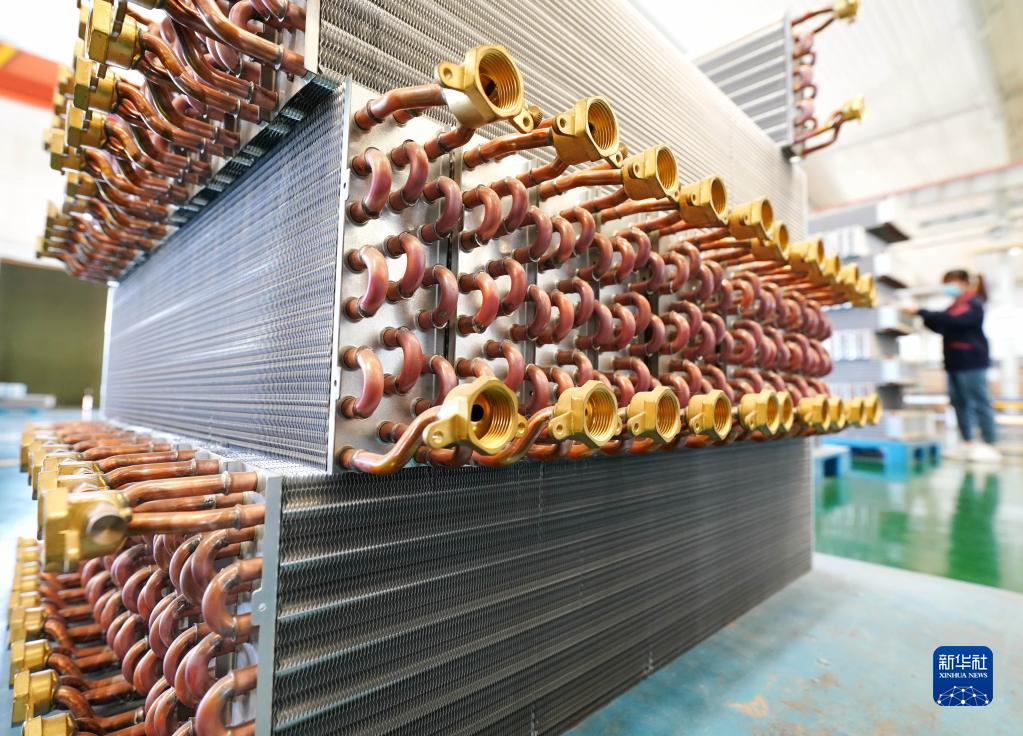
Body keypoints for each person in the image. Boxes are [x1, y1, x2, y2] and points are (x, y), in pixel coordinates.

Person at [903, 269, 1000, 462]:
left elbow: (954, 322)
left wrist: (921, 311)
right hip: (954, 363)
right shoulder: (953, 306)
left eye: (952, 283)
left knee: (979, 402)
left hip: (972, 362)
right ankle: (968, 443)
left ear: (964, 284)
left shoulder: (973, 304)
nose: (948, 287)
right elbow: (941, 326)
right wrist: (924, 317)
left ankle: (990, 444)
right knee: (959, 403)